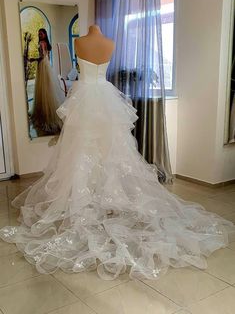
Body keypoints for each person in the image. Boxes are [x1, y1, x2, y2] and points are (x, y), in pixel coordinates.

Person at [0, 25, 234, 280]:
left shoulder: (82, 43)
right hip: (103, 97)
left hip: (88, 96)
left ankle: (93, 200)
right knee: (95, 151)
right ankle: (93, 198)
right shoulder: (104, 43)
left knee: (92, 151)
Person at [30, 28, 64, 135]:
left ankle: (46, 113)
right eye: (39, 33)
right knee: (47, 88)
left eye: (41, 33)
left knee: (44, 88)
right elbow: (46, 57)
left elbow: (42, 57)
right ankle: (45, 111)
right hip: (46, 65)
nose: (40, 35)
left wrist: (33, 59)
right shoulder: (46, 43)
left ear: (45, 34)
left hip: (42, 66)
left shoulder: (42, 43)